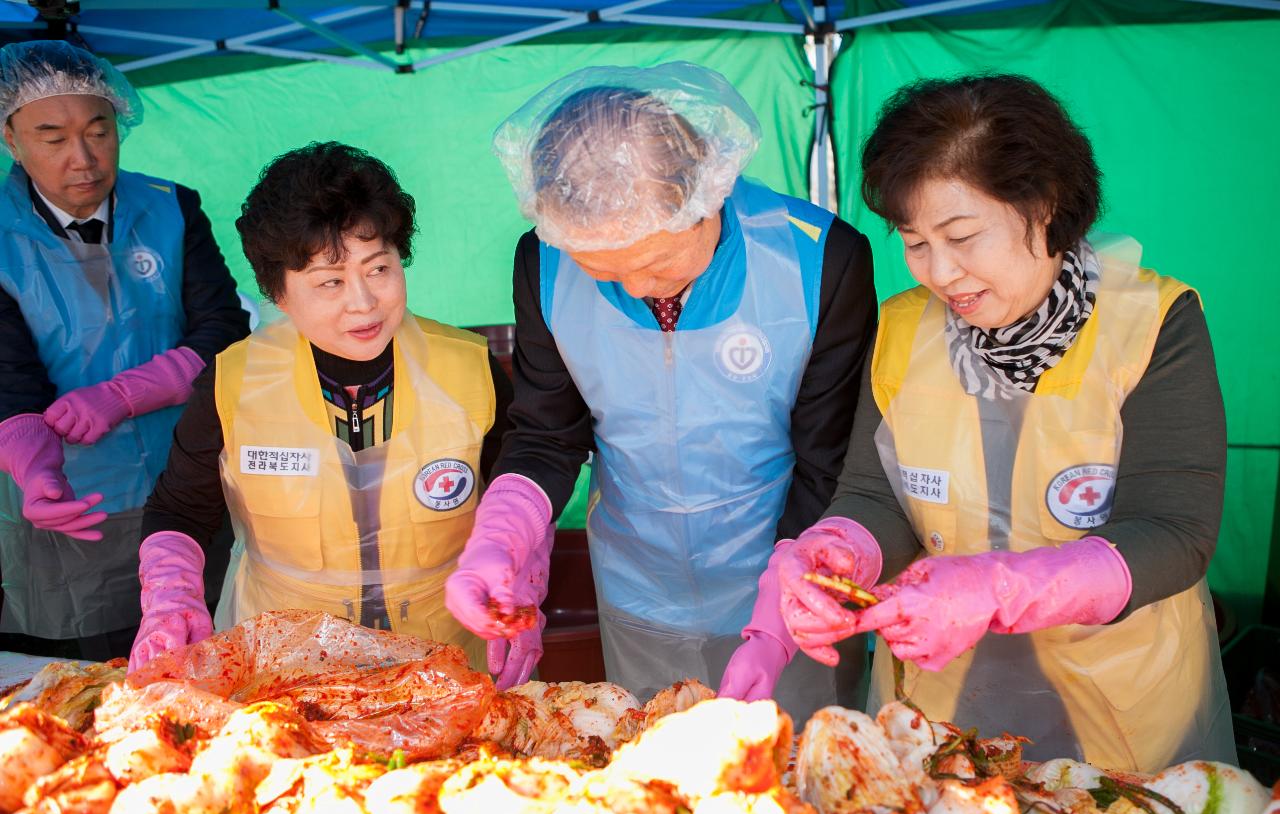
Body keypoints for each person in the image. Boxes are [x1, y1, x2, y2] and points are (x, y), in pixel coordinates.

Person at [775, 74, 1234, 771]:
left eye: (962, 236)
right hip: (942, 705)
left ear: (1045, 206)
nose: (940, 271)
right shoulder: (901, 329)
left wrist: (999, 587)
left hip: (1122, 708)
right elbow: (877, 495)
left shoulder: (1153, 323)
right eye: (916, 240)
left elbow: (1174, 530)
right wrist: (840, 548)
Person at [445, 62, 877, 717]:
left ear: (709, 189)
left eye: (654, 262)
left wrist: (787, 607)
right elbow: (547, 432)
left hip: (787, 588)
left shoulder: (820, 261)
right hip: (636, 593)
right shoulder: (544, 260)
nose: (638, 290)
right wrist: (501, 540)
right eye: (604, 271)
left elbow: (831, 459)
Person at [128, 142, 513, 671]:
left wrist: (520, 570)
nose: (363, 301)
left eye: (378, 268)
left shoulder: (471, 368)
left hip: (449, 664)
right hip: (284, 671)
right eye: (330, 281)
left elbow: (516, 491)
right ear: (278, 295)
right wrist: (171, 599)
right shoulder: (234, 381)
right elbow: (179, 510)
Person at [0, 40, 248, 660]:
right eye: (52, 138)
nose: (82, 159)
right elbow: (9, 375)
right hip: (73, 499)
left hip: (185, 481)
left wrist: (128, 393)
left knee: (202, 653)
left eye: (99, 131)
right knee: (93, 678)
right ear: (10, 138)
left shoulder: (171, 207)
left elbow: (223, 330)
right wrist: (33, 464)